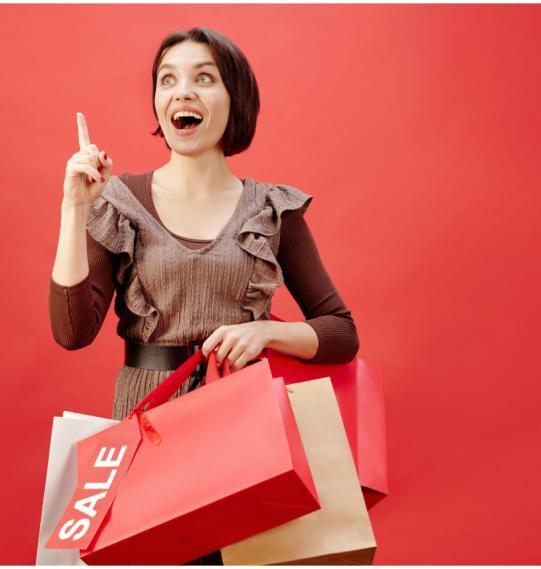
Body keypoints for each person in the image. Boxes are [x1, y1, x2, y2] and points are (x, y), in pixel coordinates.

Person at [49, 27, 358, 565]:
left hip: (245, 428)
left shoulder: (270, 209)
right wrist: (75, 210)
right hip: (148, 429)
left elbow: (341, 331)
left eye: (203, 78)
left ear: (234, 100)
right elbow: (72, 333)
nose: (182, 91)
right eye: (167, 80)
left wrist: (265, 331)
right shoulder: (118, 200)